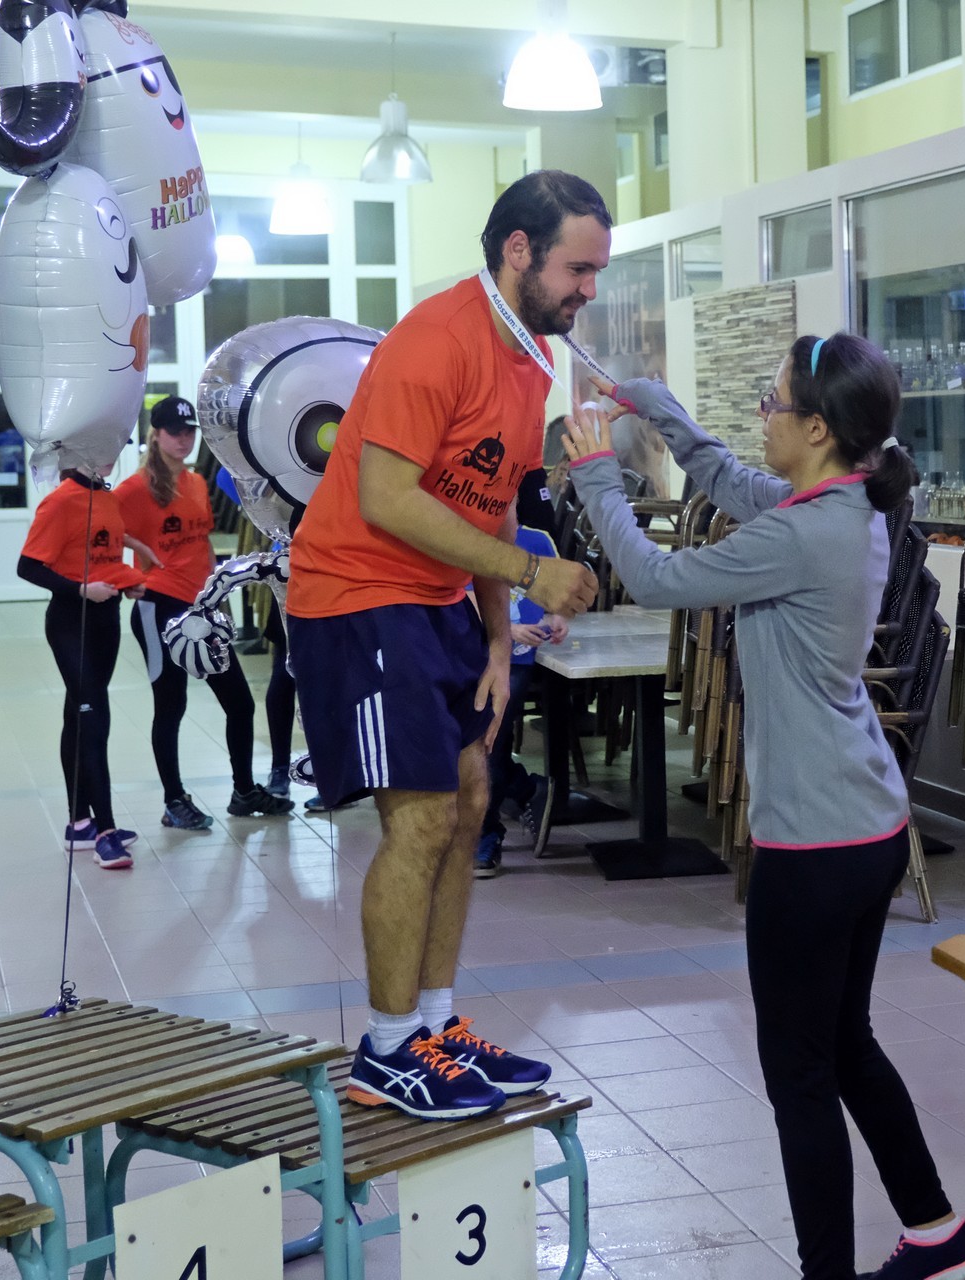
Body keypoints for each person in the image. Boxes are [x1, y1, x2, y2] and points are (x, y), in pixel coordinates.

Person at [562, 334, 965, 1280]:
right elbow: (727, 477)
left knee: (800, 1074)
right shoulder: (844, 502)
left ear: (818, 428)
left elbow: (656, 580)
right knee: (844, 1043)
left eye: (773, 402)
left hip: (816, 845)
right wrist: (660, 408)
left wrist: (595, 477)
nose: (763, 415)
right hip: (867, 824)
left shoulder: (804, 533)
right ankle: (936, 1232)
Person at [285, 170, 605, 1120]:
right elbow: (386, 498)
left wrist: (500, 641)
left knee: (470, 804)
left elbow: (491, 499)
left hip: (438, 603)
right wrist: (531, 571)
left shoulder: (531, 359)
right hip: (357, 596)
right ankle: (386, 1052)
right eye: (578, 269)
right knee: (421, 818)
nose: (588, 290)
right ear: (519, 251)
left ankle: (433, 1025)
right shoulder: (437, 338)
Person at [117, 395, 292, 830]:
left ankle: (243, 791)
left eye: (189, 432)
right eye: (174, 433)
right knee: (170, 705)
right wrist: (130, 570)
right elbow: (98, 535)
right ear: (155, 436)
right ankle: (174, 801)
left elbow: (202, 544)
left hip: (202, 610)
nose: (184, 440)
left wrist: (219, 594)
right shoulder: (134, 490)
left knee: (239, 703)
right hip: (159, 608)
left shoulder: (196, 483)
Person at [18, 467, 149, 870]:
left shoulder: (107, 497)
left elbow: (103, 558)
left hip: (106, 620)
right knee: (94, 718)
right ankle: (106, 831)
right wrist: (80, 590)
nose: (108, 456)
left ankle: (79, 823)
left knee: (79, 715)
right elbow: (28, 566)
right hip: (70, 622)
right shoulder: (60, 501)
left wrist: (127, 582)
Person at [476, 522, 564, 879]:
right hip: (470, 654)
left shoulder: (537, 540)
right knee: (473, 745)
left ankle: (486, 834)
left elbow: (559, 594)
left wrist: (558, 617)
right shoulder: (464, 535)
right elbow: (460, 598)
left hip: (518, 661)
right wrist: (508, 629)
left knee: (488, 743)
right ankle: (528, 788)